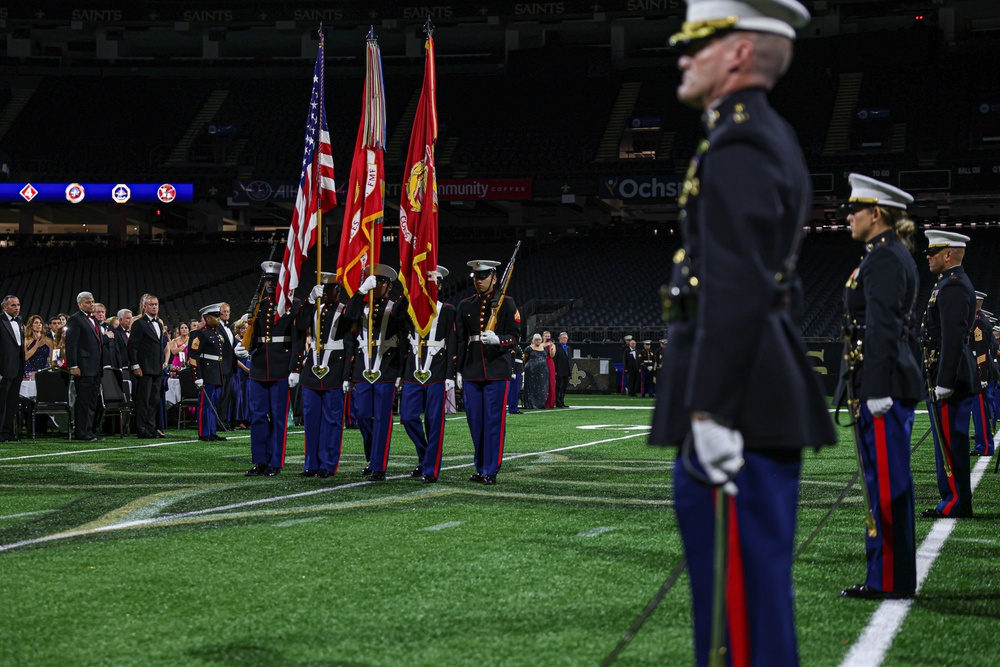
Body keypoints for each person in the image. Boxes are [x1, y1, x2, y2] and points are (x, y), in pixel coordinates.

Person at [648, 2, 837, 665]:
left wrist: (712, 406)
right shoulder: (749, 134)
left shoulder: (742, 140)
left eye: (696, 44)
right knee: (744, 608)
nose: (682, 57)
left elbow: (741, 281)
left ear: (735, 54)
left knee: (740, 619)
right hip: (750, 397)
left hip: (738, 407)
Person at [837, 174, 922, 600]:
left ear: (876, 213)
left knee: (888, 486)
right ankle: (886, 575)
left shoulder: (886, 257)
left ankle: (890, 580)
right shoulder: (882, 254)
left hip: (884, 384)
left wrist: (877, 387)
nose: (848, 216)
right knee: (881, 483)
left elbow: (884, 326)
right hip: (878, 380)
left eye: (855, 209)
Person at [919, 230, 978, 519]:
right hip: (947, 371)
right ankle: (952, 499)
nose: (928, 256)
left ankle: (956, 501)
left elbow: (952, 337)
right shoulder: (947, 282)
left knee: (950, 441)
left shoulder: (952, 285)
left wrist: (944, 381)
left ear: (948, 255)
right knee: (948, 440)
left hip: (950, 377)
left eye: (933, 252)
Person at [456, 259, 520, 485]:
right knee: (475, 422)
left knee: (493, 422)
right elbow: (461, 340)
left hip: (496, 370)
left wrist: (499, 340)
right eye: (476, 277)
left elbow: (515, 337)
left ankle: (491, 469)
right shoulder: (465, 305)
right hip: (472, 370)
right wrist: (458, 371)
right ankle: (480, 466)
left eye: (484, 277)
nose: (479, 281)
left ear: (494, 278)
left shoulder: (507, 303)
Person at [342, 264, 407, 481]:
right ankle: (372, 457)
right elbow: (347, 319)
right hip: (363, 367)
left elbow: (403, 337)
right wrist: (360, 292)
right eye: (375, 281)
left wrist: (400, 371)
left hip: (387, 368)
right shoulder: (361, 304)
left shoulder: (393, 307)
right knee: (361, 415)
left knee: (382, 418)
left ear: (389, 285)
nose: (377, 285)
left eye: (382, 282)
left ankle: (379, 465)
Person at [396, 265, 457, 483]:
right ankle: (424, 455)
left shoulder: (448, 309)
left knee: (434, 422)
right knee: (408, 417)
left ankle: (430, 469)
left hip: (438, 371)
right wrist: (408, 290)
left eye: (432, 283)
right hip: (413, 370)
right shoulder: (411, 307)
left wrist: (451, 374)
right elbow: (395, 315)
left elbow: (452, 342)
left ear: (439, 285)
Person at [246, 260, 302, 477]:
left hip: (280, 367)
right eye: (267, 280)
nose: (269, 284)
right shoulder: (259, 305)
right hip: (260, 366)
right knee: (258, 416)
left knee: (278, 417)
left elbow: (297, 339)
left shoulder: (293, 305)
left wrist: (294, 367)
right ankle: (259, 460)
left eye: (273, 280)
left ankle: (275, 462)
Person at [293, 273, 352, 478]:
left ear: (338, 290)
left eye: (330, 289)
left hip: (335, 368)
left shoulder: (344, 310)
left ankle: (328, 464)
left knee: (332, 420)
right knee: (311, 419)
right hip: (313, 367)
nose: (326, 292)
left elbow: (350, 344)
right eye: (323, 288)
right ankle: (311, 464)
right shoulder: (314, 309)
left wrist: (347, 375)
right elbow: (300, 326)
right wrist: (309, 301)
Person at [188, 304, 232, 443]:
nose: (219, 319)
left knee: (214, 404)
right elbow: (193, 356)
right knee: (205, 405)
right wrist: (197, 377)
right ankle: (204, 432)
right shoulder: (200, 333)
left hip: (217, 372)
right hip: (206, 374)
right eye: (216, 316)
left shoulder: (217, 333)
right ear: (207, 318)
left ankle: (212, 431)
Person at [65, 291, 105, 442]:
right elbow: (71, 344)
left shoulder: (93, 320)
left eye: (92, 301)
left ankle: (89, 430)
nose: (91, 304)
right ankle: (81, 432)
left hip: (95, 368)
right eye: (88, 302)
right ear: (79, 304)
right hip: (83, 367)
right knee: (83, 401)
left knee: (92, 401)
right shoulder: (75, 320)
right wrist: (73, 365)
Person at [128, 293, 166, 439]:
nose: (154, 307)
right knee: (143, 400)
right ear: (144, 306)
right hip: (144, 369)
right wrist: (136, 366)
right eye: (151, 304)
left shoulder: (160, 324)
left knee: (154, 400)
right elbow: (132, 347)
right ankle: (142, 429)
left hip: (157, 368)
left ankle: (151, 428)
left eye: (156, 304)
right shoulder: (139, 324)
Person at [970, 291, 995, 456]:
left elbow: (981, 352)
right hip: (979, 372)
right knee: (979, 411)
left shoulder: (978, 322)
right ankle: (983, 443)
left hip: (978, 374)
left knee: (980, 412)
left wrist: (982, 375)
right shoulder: (980, 320)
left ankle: (984, 446)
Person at [0, 295, 24, 442]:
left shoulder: (19, 321)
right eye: (13, 305)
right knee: (1, 402)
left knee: (12, 402)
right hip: (4, 369)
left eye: (18, 305)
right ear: (5, 307)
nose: (17, 308)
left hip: (18, 368)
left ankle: (7, 432)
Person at [230, 317, 252, 430]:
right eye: (243, 328)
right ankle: (238, 420)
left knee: (247, 396)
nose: (245, 330)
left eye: (247, 328)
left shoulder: (248, 341)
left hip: (249, 371)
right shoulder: (235, 341)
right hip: (238, 372)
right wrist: (245, 369)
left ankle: (247, 419)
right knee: (239, 396)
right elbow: (235, 359)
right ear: (238, 329)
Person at [522, 334, 549, 410]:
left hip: (542, 371)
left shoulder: (544, 348)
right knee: (531, 387)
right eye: (536, 340)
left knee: (542, 387)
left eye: (539, 340)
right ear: (533, 340)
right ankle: (530, 404)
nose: (538, 341)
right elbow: (525, 358)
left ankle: (540, 404)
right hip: (531, 371)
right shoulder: (529, 348)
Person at [554, 331, 571, 408]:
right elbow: (555, 360)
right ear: (560, 338)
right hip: (559, 371)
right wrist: (555, 370)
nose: (565, 339)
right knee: (559, 387)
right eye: (563, 338)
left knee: (564, 387)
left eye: (566, 338)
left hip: (566, 371)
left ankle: (562, 401)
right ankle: (558, 402)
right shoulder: (557, 347)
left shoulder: (568, 348)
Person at [508, 337, 524, 414]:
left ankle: (515, 407)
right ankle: (512, 408)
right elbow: (512, 360)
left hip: (519, 369)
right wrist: (512, 371)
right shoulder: (513, 347)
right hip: (516, 370)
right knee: (514, 391)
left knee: (517, 391)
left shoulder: (517, 346)